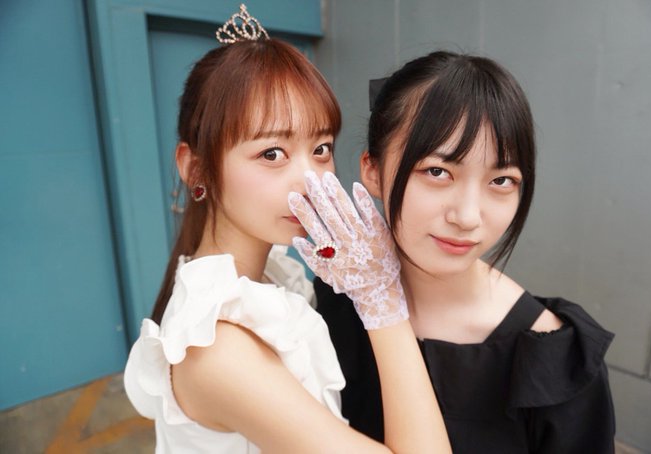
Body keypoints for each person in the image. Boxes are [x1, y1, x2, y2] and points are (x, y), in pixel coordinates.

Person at [124, 5, 450, 453]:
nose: (311, 180)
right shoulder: (217, 349)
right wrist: (382, 304)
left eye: (321, 148)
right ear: (195, 168)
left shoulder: (270, 276)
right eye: (272, 154)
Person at [315, 51, 617, 453]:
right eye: (437, 172)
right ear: (372, 170)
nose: (468, 217)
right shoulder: (339, 300)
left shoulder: (557, 359)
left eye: (502, 180)